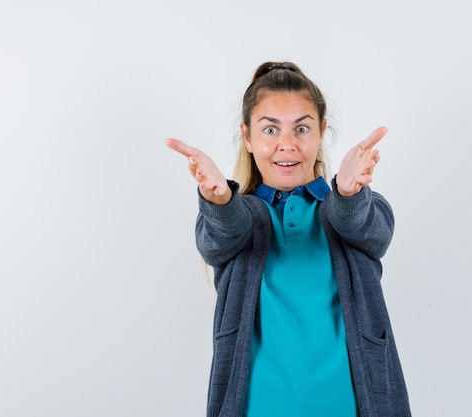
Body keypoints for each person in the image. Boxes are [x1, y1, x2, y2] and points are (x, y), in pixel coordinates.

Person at [165, 62, 411, 417]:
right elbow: (219, 236)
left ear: (322, 132)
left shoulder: (348, 207)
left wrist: (347, 194)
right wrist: (220, 203)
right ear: (247, 136)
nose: (287, 145)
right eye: (270, 129)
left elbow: (367, 226)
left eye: (301, 128)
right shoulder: (240, 216)